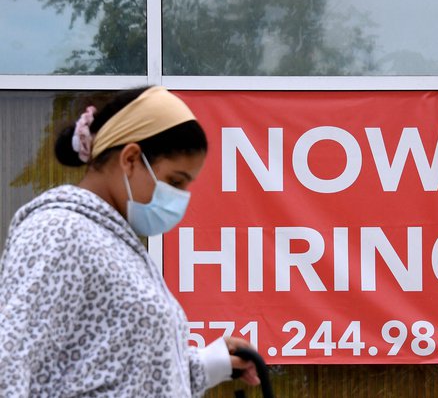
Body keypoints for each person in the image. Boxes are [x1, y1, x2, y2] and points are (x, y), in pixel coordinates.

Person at [0, 86, 261, 397]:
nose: (180, 197)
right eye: (175, 181)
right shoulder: (57, 232)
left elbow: (123, 373)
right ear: (131, 159)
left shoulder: (112, 240)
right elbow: (9, 364)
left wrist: (209, 362)